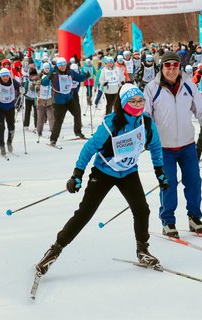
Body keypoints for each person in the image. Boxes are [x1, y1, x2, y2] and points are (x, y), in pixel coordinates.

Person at [35, 84, 169, 275]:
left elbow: (155, 147)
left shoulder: (146, 122)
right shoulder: (111, 123)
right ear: (123, 104)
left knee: (142, 210)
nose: (138, 105)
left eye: (140, 101)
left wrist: (160, 172)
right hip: (104, 171)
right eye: (133, 101)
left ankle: (142, 251)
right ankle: (54, 251)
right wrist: (77, 174)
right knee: (85, 213)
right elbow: (90, 147)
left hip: (128, 171)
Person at [144, 51, 202, 238]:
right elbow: (145, 116)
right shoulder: (152, 88)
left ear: (179, 68)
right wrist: (147, 135)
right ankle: (168, 221)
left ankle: (194, 217)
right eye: (167, 65)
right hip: (164, 148)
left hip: (187, 145)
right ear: (161, 67)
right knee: (168, 184)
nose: (171, 69)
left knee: (194, 181)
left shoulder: (188, 85)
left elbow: (201, 110)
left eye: (175, 66)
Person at [41, 57, 89, 146]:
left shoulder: (70, 72)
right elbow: (43, 83)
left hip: (69, 98)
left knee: (77, 112)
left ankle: (78, 131)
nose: (62, 67)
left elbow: (79, 78)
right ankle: (53, 139)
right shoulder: (54, 73)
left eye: (63, 65)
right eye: (60, 65)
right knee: (59, 120)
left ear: (66, 64)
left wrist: (86, 76)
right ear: (57, 66)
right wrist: (48, 77)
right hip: (59, 100)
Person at [0, 67, 21, 156]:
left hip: (10, 107)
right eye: (3, 76)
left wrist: (22, 90)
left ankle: (9, 142)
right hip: (0, 107)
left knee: (11, 127)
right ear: (0, 76)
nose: (5, 78)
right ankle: (2, 146)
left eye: (7, 76)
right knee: (1, 127)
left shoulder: (12, 81)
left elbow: (19, 87)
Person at [35, 63, 55, 138]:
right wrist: (37, 87)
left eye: (48, 68)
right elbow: (35, 86)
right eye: (46, 68)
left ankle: (53, 131)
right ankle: (39, 132)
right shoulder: (40, 77)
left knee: (51, 117)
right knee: (40, 118)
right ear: (43, 69)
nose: (47, 70)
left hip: (49, 100)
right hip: (41, 101)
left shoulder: (51, 77)